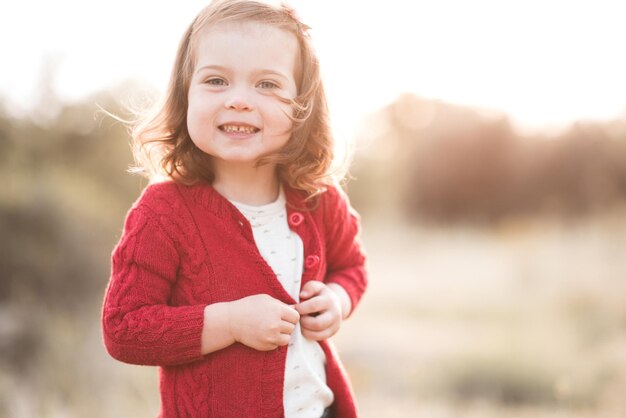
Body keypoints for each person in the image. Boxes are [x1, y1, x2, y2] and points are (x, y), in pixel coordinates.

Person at [101, 1, 367, 417]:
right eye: (217, 80)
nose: (240, 100)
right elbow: (124, 329)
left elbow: (352, 266)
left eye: (267, 84)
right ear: (184, 93)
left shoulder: (318, 198)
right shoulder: (163, 213)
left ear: (302, 105)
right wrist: (228, 323)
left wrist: (337, 299)